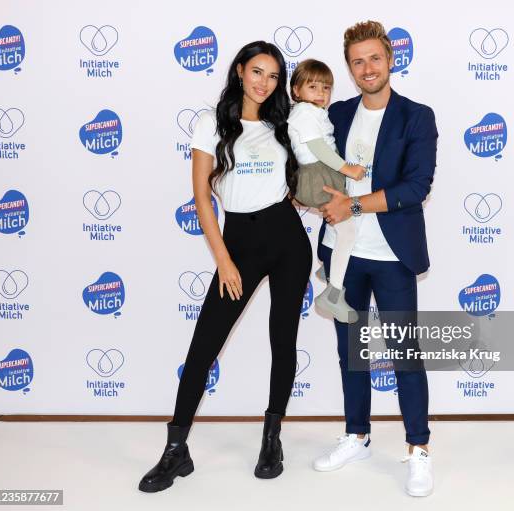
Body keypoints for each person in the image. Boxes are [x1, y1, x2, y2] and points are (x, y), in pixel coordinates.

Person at [138, 40, 312, 492]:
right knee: (204, 345)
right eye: (257, 71)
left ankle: (272, 438)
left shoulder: (282, 123)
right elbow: (202, 199)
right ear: (239, 70)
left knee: (283, 339)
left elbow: (307, 168)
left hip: (288, 237)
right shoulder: (210, 123)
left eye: (273, 76)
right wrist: (224, 259)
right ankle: (176, 450)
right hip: (239, 243)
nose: (264, 83)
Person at [312, 21, 438, 498]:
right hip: (342, 254)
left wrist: (356, 204)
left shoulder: (416, 117)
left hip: (391, 256)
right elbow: (308, 158)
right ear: (349, 68)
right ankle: (357, 436)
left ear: (390, 59)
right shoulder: (338, 113)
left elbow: (415, 187)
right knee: (351, 353)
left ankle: (418, 450)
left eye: (374, 59)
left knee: (405, 354)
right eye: (357, 61)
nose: (367, 68)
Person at [287, 59, 365, 323]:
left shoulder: (312, 111)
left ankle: (327, 268)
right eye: (313, 87)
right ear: (296, 90)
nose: (321, 93)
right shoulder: (304, 113)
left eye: (326, 88)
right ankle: (332, 293)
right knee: (348, 230)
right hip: (318, 174)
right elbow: (319, 148)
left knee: (337, 221)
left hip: (320, 172)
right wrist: (348, 169)